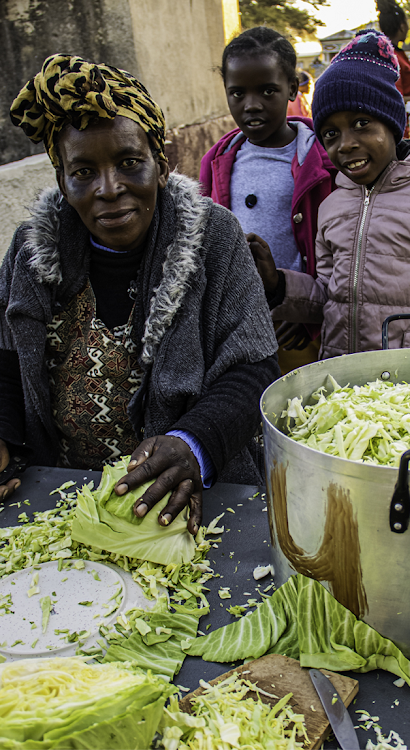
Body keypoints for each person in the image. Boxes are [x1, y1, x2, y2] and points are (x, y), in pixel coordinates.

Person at [0, 54, 280, 532]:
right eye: (83, 171)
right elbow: (5, 359)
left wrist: (193, 443)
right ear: (63, 182)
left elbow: (255, 368)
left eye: (130, 163)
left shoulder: (214, 238)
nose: (109, 189)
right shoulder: (29, 253)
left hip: (189, 505)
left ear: (161, 164)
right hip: (60, 501)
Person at [249, 31, 410, 355]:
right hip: (344, 381)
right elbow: (328, 295)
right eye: (331, 133)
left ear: (393, 126)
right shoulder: (333, 204)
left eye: (362, 123)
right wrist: (279, 285)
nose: (346, 143)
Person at [200, 27, 337, 373]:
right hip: (238, 324)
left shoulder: (323, 161)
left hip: (298, 325)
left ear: (292, 88)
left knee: (299, 412)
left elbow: (339, 252)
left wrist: (304, 314)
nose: (251, 105)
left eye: (268, 91)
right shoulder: (217, 161)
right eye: (237, 93)